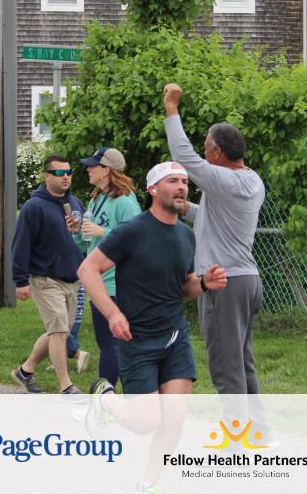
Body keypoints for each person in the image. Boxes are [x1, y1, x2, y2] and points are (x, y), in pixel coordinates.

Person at [77, 161, 227, 492]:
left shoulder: (186, 235)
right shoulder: (132, 231)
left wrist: (204, 284)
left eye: (184, 181)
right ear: (153, 189)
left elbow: (184, 285)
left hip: (175, 337)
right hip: (137, 339)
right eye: (173, 181)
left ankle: (151, 480)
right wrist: (112, 314)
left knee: (175, 414)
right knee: (145, 421)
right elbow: (87, 270)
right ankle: (104, 397)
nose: (182, 187)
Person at [162, 83, 266, 398]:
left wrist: (171, 107)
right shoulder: (250, 180)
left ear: (218, 152)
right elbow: (216, 219)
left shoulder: (223, 179)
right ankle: (255, 426)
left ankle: (236, 430)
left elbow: (183, 155)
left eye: (206, 147)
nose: (204, 152)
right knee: (242, 363)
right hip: (247, 280)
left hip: (224, 282)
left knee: (225, 368)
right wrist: (186, 208)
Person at [10, 155, 86, 394]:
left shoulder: (75, 203)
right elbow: (20, 245)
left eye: (69, 172)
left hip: (73, 278)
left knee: (58, 330)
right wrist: (20, 280)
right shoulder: (34, 207)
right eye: (60, 173)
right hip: (46, 279)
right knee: (60, 331)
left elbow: (84, 238)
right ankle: (66, 386)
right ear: (47, 176)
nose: (66, 177)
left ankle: (25, 371)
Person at [76, 146, 141, 387]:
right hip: (98, 282)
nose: (88, 170)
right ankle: (112, 396)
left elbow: (136, 239)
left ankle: (107, 398)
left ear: (106, 170)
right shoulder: (97, 198)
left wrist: (102, 232)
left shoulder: (125, 201)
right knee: (107, 344)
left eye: (93, 166)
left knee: (112, 345)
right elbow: (88, 242)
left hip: (117, 284)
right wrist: (77, 231)